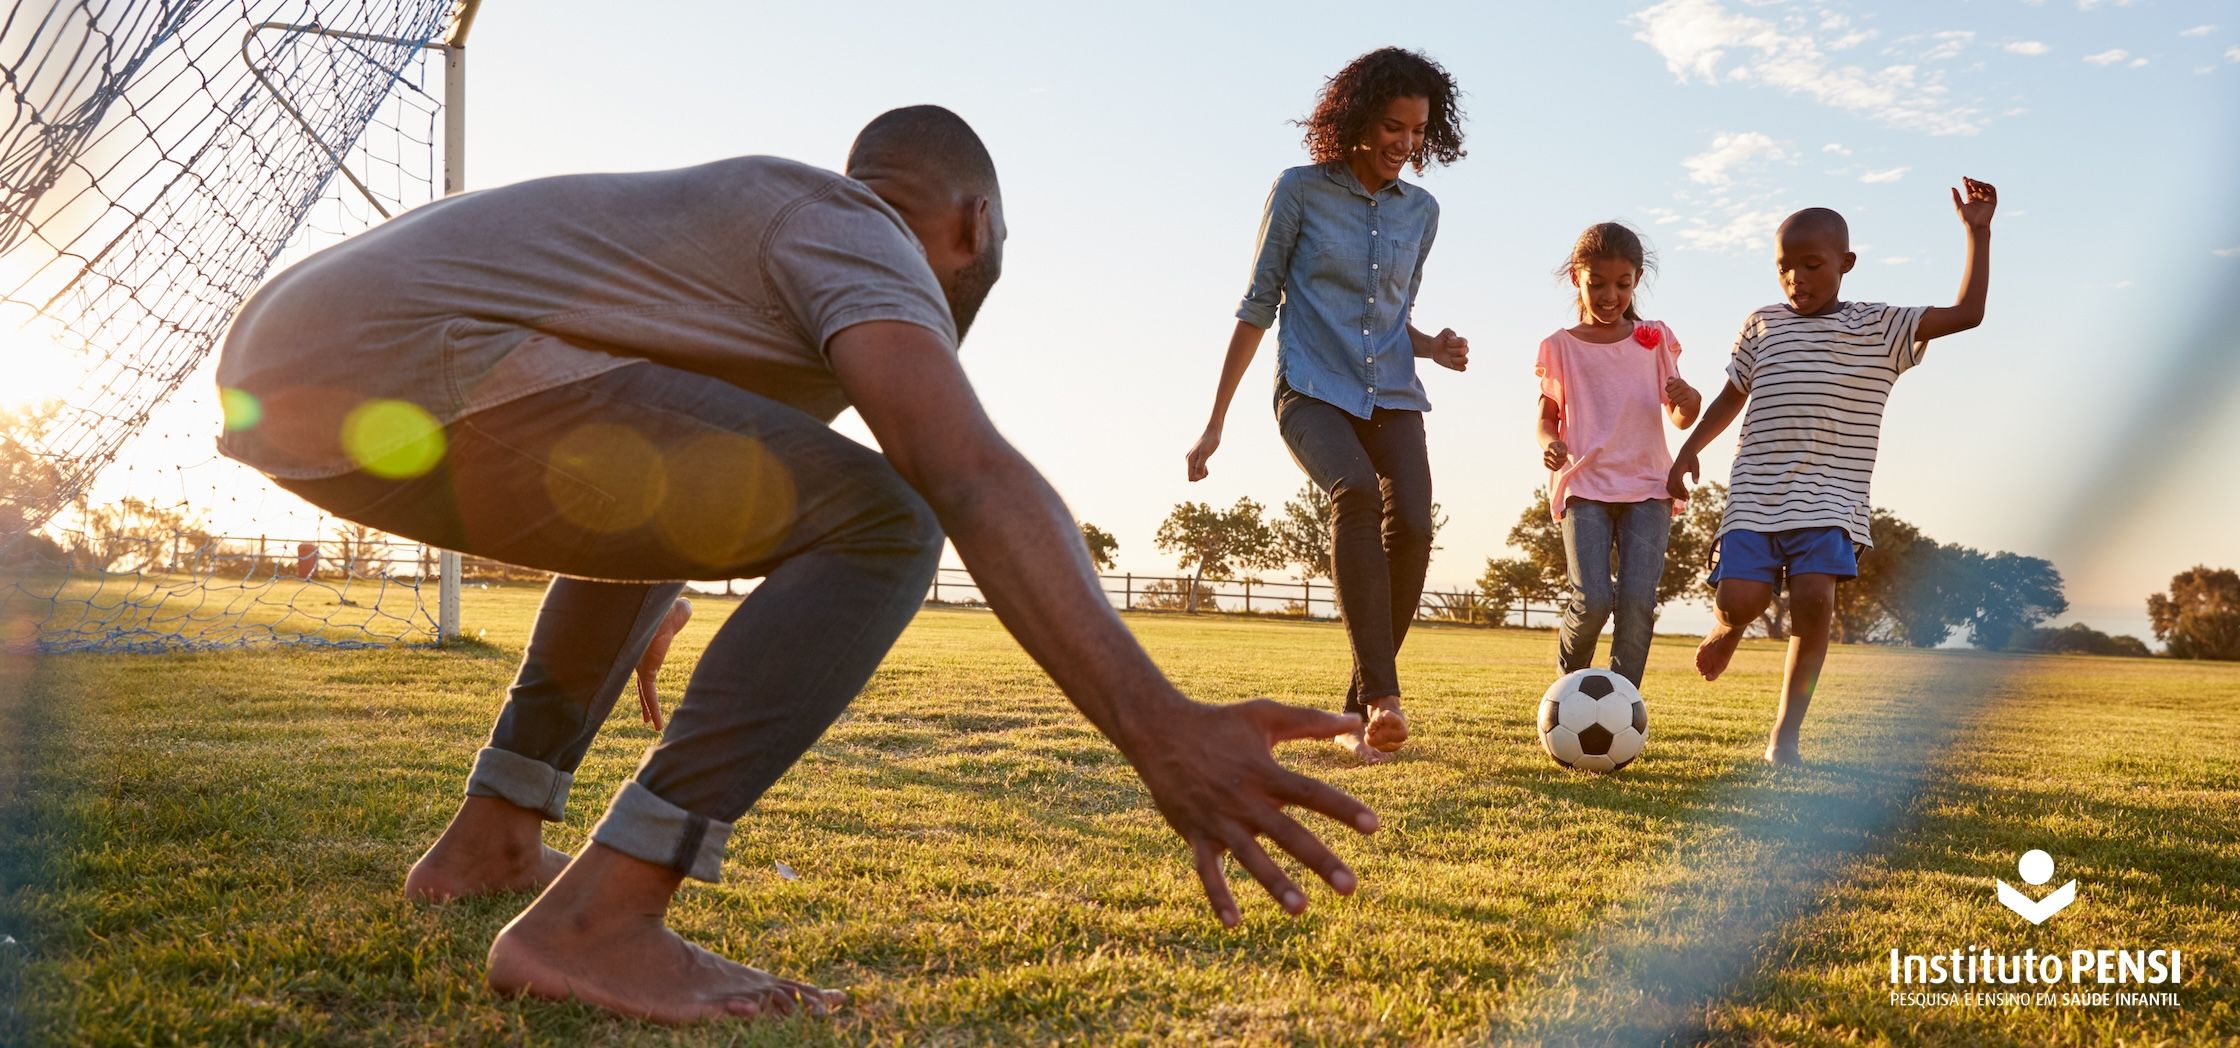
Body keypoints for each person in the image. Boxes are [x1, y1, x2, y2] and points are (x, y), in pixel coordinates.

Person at [213, 106, 1380, 1025]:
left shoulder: (759, 256)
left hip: (303, 372)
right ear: (970, 222)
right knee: (888, 520)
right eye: (994, 243)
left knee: (736, 503)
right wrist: (1156, 725)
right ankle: (596, 926)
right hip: (402, 356)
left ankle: (489, 842)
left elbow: (650, 465)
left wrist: (651, 564)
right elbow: (962, 469)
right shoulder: (849, 224)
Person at [1183, 47, 1471, 765]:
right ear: (1356, 121)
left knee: (1411, 521)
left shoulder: (1423, 212)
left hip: (1394, 394)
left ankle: (1358, 712)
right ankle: (1384, 697)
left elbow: (1387, 315)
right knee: (1355, 495)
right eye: (1392, 127)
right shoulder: (1300, 191)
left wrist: (1432, 344)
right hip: (1311, 390)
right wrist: (1216, 420)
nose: (1405, 144)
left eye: (1417, 130)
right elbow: (1258, 306)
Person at [1667, 178, 1998, 765]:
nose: (1797, 278)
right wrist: (1690, 448)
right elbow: (1730, 395)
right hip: (1756, 493)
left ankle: (1785, 735)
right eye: (1784, 267)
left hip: (1831, 497)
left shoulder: (1879, 327)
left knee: (1815, 599)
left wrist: (1977, 233)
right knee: (1740, 600)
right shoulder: (1762, 323)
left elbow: (1968, 314)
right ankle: (1728, 628)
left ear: (1845, 263)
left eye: (1812, 264)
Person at [1535, 222, 1700, 689]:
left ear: (1637, 279)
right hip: (1584, 486)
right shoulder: (1560, 347)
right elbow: (1546, 418)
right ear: (1576, 279)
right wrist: (1551, 445)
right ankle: (1568, 693)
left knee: (1636, 604)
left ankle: (1620, 702)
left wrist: (1690, 398)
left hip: (1649, 486)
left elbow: (1681, 417)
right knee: (1592, 601)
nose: (1610, 295)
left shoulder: (1654, 339)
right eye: (1597, 284)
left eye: (1622, 285)